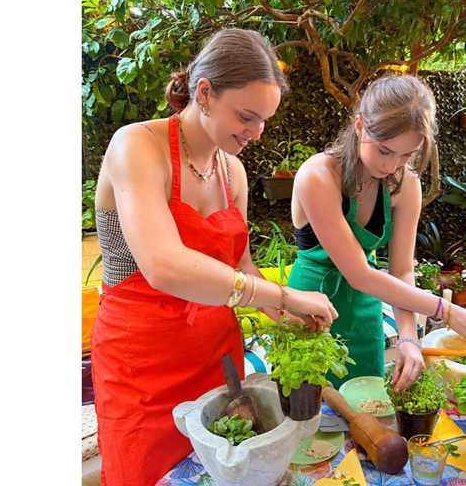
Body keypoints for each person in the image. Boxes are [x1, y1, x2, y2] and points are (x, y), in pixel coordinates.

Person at [91, 28, 338, 486]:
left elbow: (240, 267)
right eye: (247, 116)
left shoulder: (234, 170)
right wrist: (285, 293)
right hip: (140, 363)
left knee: (222, 469)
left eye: (265, 120)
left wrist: (282, 311)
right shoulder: (137, 146)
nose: (257, 134)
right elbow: (162, 265)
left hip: (215, 357)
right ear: (204, 92)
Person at [287, 74, 466, 394]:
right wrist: (444, 310)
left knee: (369, 419)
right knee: (306, 423)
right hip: (310, 312)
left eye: (406, 155)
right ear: (359, 126)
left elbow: (402, 271)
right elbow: (360, 274)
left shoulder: (406, 184)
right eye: (384, 150)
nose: (393, 165)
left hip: (366, 317)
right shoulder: (317, 175)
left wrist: (408, 337)